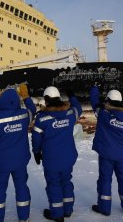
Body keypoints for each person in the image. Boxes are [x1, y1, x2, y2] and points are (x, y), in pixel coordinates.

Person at [0, 84, 36, 222]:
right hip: (20, 160)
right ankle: (23, 218)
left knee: (0, 188)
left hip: (3, 162)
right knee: (21, 187)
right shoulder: (24, 115)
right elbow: (33, 110)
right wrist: (26, 97)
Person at [31, 86, 82, 222]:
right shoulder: (70, 114)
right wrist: (72, 96)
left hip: (51, 159)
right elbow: (79, 108)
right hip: (68, 157)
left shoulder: (41, 119)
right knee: (66, 181)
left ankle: (57, 214)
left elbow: (36, 138)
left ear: (46, 100)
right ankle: (68, 210)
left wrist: (36, 152)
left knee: (54, 184)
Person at [89, 85, 123, 216]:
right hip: (121, 155)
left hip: (106, 154)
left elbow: (95, 103)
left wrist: (95, 89)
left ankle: (104, 208)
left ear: (108, 100)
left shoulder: (104, 114)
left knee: (105, 179)